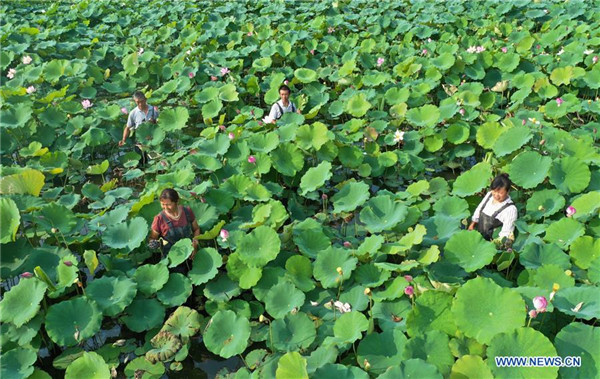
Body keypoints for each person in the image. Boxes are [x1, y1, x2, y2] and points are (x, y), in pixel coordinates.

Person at [468, 173, 518, 247]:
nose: (496, 195)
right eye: (494, 191)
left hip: (492, 244)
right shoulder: (489, 195)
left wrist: (491, 246)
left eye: (500, 193)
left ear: (508, 192)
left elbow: (505, 235)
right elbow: (479, 209)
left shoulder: (511, 210)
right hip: (478, 237)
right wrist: (472, 225)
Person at [150, 189, 200, 262]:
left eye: (168, 204)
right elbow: (152, 238)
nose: (165, 208)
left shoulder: (187, 212)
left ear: (177, 201)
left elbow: (196, 229)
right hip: (171, 258)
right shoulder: (159, 219)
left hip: (190, 253)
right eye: (163, 204)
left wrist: (195, 244)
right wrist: (154, 243)